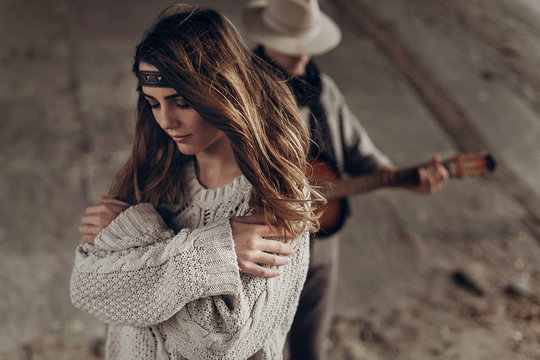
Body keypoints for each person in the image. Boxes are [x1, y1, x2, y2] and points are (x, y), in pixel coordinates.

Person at [70, 5, 325, 360]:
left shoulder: (272, 197)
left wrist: (134, 236)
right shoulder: (154, 174)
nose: (166, 121)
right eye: (153, 103)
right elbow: (87, 287)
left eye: (181, 102)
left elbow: (216, 343)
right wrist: (214, 251)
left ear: (224, 90)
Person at [242, 0, 449, 359]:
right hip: (268, 245)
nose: (301, 57)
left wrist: (404, 178)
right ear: (267, 36)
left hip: (323, 243)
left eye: (306, 45)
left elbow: (361, 154)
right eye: (292, 46)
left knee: (311, 348)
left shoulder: (324, 89)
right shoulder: (243, 94)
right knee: (258, 346)